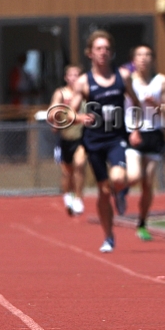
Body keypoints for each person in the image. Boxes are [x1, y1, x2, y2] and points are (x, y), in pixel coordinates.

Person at [69, 30, 142, 253]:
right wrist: (81, 117)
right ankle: (109, 236)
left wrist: (136, 129)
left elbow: (136, 102)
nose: (103, 52)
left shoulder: (123, 77)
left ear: (112, 53)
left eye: (107, 49)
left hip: (116, 138)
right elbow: (68, 114)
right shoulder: (84, 82)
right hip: (94, 142)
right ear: (90, 53)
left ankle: (120, 192)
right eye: (99, 49)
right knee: (102, 191)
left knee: (119, 178)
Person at [124, 45, 165, 241]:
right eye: (139, 55)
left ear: (152, 59)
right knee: (133, 176)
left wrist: (155, 104)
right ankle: (120, 189)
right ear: (133, 59)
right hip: (132, 132)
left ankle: (142, 223)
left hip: (154, 133)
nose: (143, 59)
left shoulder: (162, 81)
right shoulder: (127, 79)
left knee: (148, 183)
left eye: (147, 55)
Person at [49, 65, 87, 216]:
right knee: (67, 173)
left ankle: (78, 198)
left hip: (82, 137)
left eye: (77, 75)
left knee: (79, 165)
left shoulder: (85, 93)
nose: (74, 78)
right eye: (71, 75)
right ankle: (68, 195)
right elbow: (52, 110)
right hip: (65, 138)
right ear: (66, 78)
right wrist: (56, 119)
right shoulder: (61, 93)